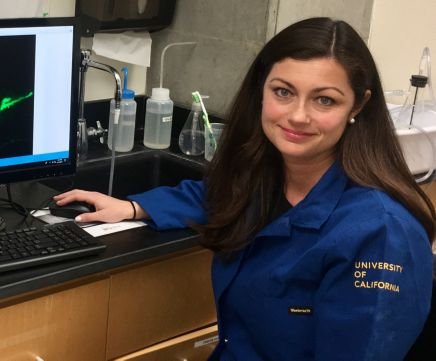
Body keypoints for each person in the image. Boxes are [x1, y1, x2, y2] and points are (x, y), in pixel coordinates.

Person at [55, 17, 435, 360]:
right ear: (261, 90)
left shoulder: (380, 235)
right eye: (283, 92)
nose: (297, 116)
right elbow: (218, 196)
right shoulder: (269, 177)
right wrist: (134, 207)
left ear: (358, 105)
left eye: (324, 100)